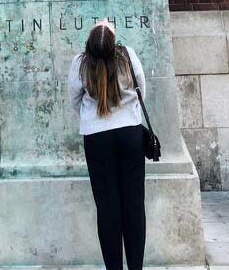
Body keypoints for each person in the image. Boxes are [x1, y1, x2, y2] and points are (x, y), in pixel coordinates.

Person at [68, 19, 147, 270]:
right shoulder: (127, 56)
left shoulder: (80, 63)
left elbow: (74, 99)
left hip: (97, 138)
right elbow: (141, 90)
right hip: (130, 133)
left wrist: (92, 119)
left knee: (107, 208)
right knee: (134, 204)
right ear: (113, 43)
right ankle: (136, 267)